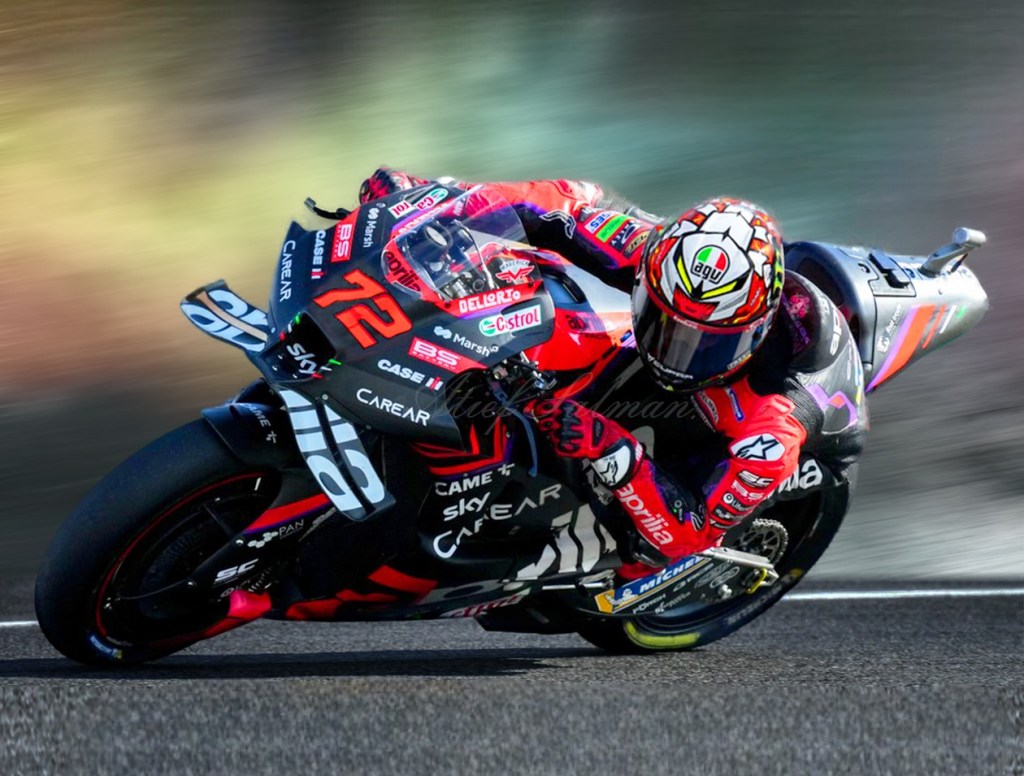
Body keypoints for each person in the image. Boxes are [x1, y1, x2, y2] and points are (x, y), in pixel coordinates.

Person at [359, 166, 867, 578]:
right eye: (663, 322)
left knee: (638, 549)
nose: (675, 351)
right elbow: (546, 201)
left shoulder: (773, 426)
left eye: (702, 343)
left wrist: (611, 446)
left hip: (760, 417)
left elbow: (687, 536)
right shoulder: (644, 249)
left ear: (752, 332)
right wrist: (423, 199)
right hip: (676, 337)